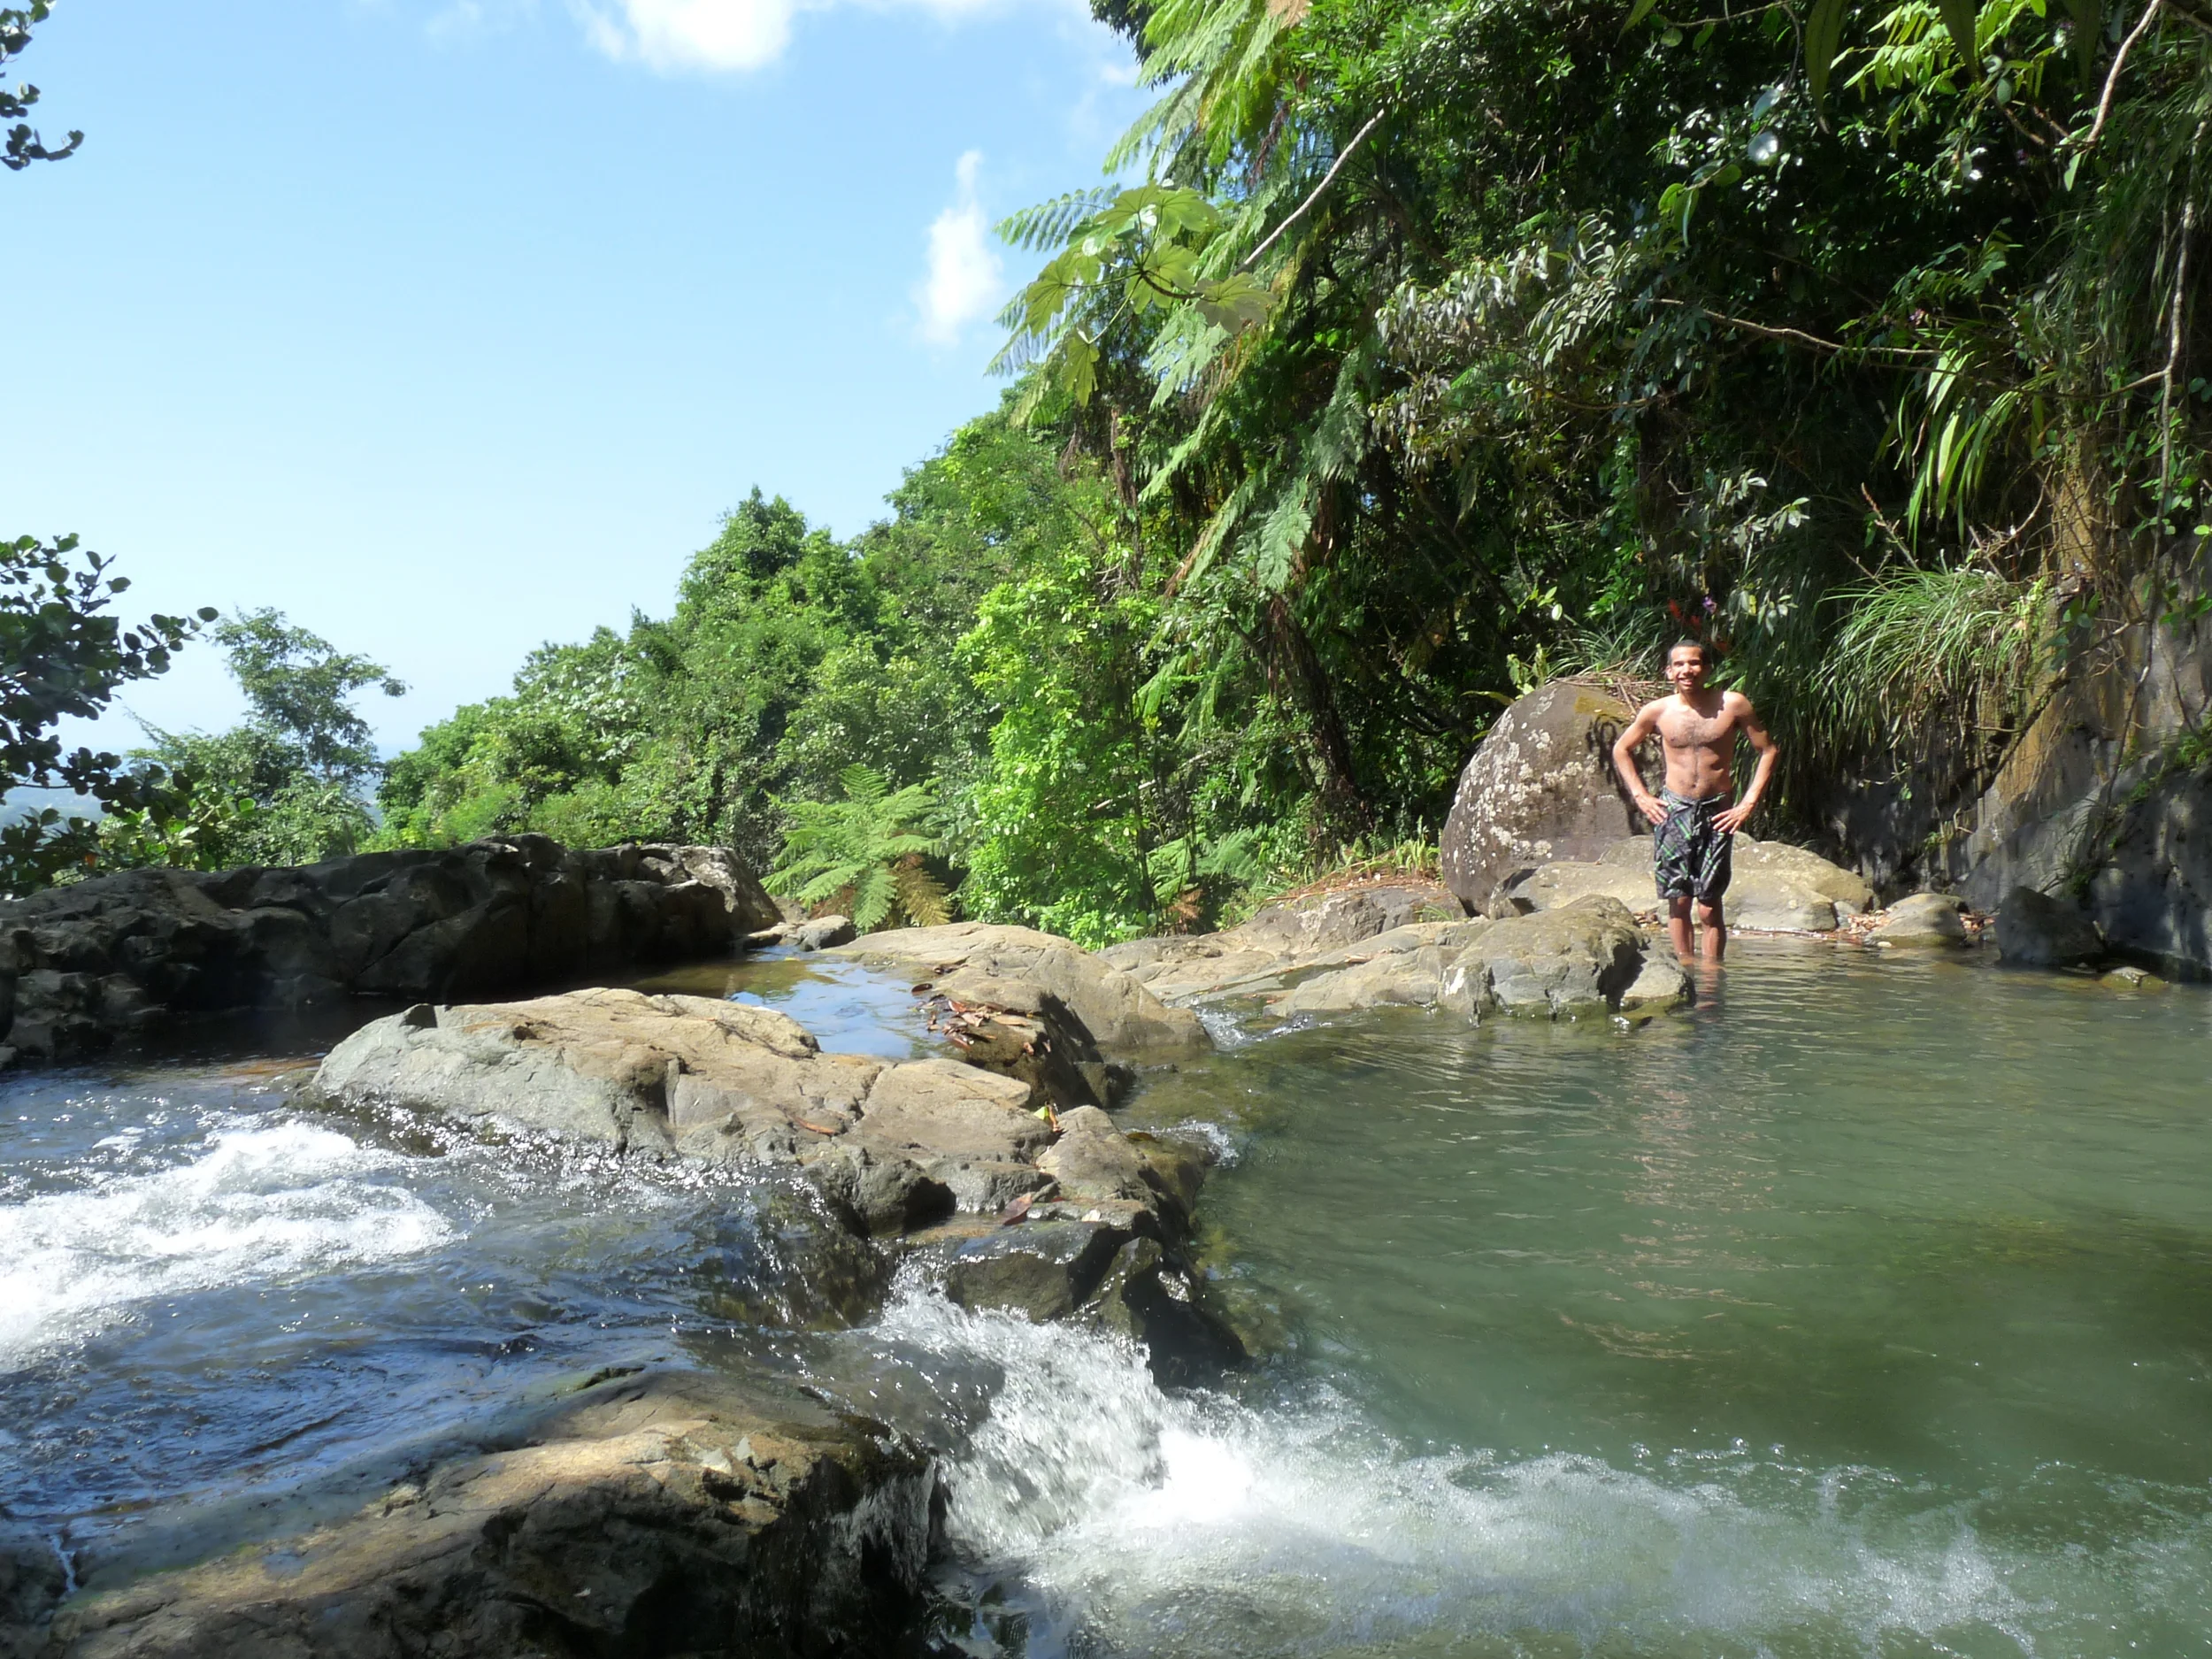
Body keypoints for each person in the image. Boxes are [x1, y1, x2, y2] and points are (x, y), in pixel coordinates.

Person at [1609, 639, 1778, 962]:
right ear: (1669, 671)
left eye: (1695, 663)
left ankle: (1713, 979)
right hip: (1673, 809)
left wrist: (1747, 803)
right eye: (1680, 665)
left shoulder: (1733, 704)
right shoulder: (1658, 711)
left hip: (1718, 809)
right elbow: (1621, 749)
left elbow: (1768, 750)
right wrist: (1641, 796)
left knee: (1709, 903)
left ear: (1707, 669)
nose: (1688, 670)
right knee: (1680, 899)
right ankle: (1685, 970)